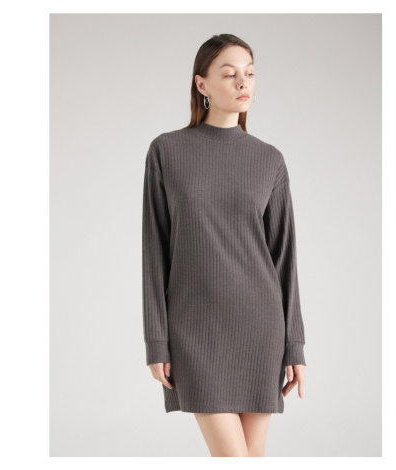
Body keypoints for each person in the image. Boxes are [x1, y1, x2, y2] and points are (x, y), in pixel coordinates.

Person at [142, 34, 307, 457]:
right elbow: (155, 252)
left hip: (260, 327)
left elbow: (284, 258)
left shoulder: (269, 159)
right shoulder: (167, 151)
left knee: (251, 458)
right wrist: (157, 341)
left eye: (249, 73)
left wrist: (295, 346)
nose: (242, 82)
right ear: (202, 84)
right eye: (230, 74)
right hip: (196, 328)